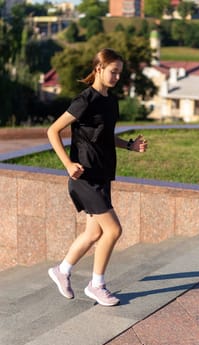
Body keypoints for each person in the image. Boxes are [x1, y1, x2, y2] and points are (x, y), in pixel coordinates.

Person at [47, 48, 148, 306]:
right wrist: (68, 164)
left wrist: (128, 145)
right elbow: (53, 131)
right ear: (99, 68)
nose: (116, 77)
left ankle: (62, 271)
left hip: (102, 174)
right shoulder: (85, 99)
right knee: (113, 230)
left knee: (93, 233)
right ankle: (96, 284)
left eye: (119, 73)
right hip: (84, 177)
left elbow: (104, 136)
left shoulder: (110, 101)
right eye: (113, 72)